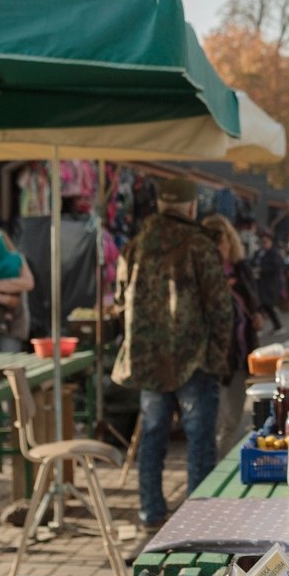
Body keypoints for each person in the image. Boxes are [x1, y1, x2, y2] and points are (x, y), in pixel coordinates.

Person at [113, 177, 235, 528]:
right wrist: (217, 355)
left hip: (149, 359)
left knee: (152, 436)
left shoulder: (135, 246)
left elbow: (120, 299)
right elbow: (220, 307)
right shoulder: (200, 244)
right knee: (199, 441)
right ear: (192, 207)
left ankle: (150, 512)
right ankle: (197, 520)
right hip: (193, 357)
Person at [202, 212, 261, 377]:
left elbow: (253, 300)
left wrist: (257, 315)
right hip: (217, 358)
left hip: (245, 348)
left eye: (221, 241)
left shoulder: (241, 269)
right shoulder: (201, 272)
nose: (219, 247)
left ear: (230, 240)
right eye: (213, 242)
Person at [251, 230, 286, 331]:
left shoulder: (274, 254)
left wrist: (262, 269)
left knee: (267, 306)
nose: (264, 244)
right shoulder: (258, 253)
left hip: (269, 284)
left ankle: (277, 326)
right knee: (261, 306)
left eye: (266, 242)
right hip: (259, 283)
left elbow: (277, 267)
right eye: (262, 242)